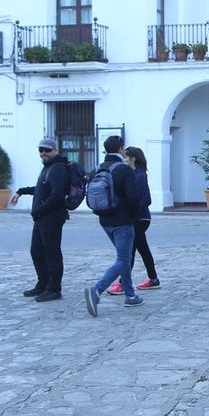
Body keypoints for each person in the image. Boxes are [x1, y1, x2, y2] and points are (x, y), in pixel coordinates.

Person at [83, 135, 141, 317]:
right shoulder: (124, 169)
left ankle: (130, 295)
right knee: (123, 260)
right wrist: (132, 216)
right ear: (121, 149)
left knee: (122, 257)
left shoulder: (97, 169)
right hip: (123, 221)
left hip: (104, 219)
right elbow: (133, 197)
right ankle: (97, 291)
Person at [10, 137, 71, 302]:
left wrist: (39, 210)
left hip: (51, 217)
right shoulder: (47, 168)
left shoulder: (57, 168)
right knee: (36, 251)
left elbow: (57, 196)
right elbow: (41, 189)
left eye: (48, 150)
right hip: (42, 217)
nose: (44, 153)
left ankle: (54, 289)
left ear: (56, 151)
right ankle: (43, 284)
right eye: (41, 150)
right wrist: (22, 191)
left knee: (52, 252)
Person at [106, 146, 160, 295]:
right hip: (137, 218)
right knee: (143, 249)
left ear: (132, 158)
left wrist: (132, 211)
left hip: (140, 219)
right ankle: (154, 279)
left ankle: (123, 284)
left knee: (128, 251)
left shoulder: (139, 176)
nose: (124, 159)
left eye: (126, 157)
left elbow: (146, 199)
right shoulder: (133, 174)